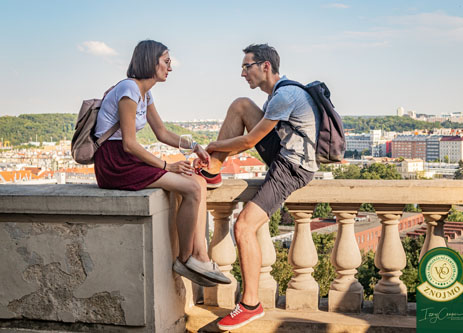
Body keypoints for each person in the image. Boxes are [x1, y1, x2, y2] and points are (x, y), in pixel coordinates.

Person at [199, 44, 320, 331]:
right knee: (241, 103)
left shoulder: (285, 95)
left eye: (246, 66)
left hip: (293, 168)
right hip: (285, 156)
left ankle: (251, 303)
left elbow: (249, 142)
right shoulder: (278, 95)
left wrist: (213, 146)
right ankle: (213, 170)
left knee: (243, 227)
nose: (242, 73)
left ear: (265, 66)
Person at [93, 39, 230, 288]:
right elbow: (129, 144)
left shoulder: (145, 93)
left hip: (126, 158)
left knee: (198, 181)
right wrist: (167, 166)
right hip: (114, 162)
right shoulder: (129, 89)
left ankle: (199, 256)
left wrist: (194, 146)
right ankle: (186, 258)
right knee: (191, 188)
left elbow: (162, 133)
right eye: (166, 61)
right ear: (150, 60)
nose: (170, 67)